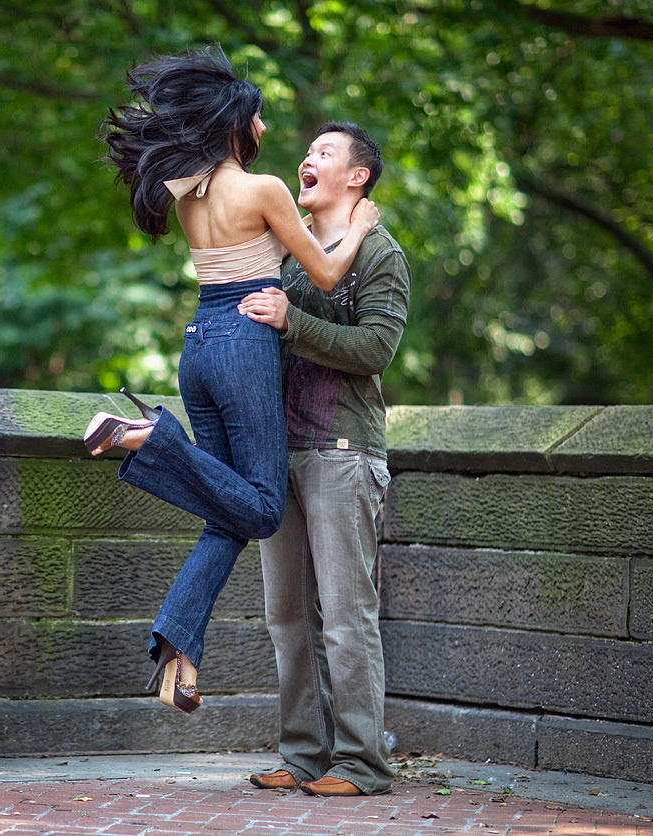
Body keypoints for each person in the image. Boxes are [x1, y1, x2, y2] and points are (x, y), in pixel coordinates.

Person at [89, 48, 379, 715]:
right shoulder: (264, 188)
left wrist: (302, 231)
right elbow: (327, 276)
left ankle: (178, 654)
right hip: (246, 342)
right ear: (237, 123)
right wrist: (358, 227)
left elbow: (258, 251)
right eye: (261, 119)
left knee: (227, 514)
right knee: (264, 506)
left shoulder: (188, 190)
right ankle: (148, 437)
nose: (268, 131)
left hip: (198, 344)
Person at [238, 123, 411, 796]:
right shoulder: (291, 253)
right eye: (307, 152)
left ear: (357, 176)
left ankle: (362, 764)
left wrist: (292, 322)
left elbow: (376, 350)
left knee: (345, 619)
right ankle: (304, 754)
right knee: (287, 618)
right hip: (276, 457)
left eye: (325, 153)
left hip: (343, 452)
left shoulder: (381, 254)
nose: (307, 160)